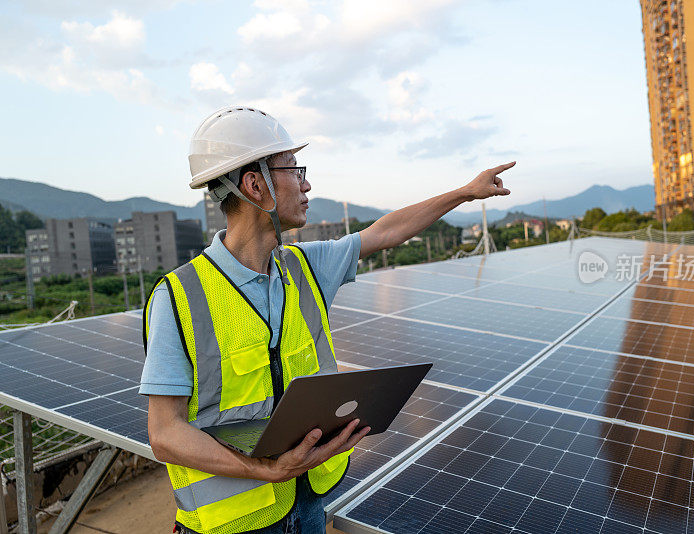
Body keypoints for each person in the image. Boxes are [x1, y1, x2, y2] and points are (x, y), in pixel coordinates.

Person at [140, 106, 514, 534]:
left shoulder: (305, 267)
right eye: (295, 171)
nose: (307, 184)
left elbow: (386, 232)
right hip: (231, 525)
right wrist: (267, 470)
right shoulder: (180, 297)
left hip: (307, 507)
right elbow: (165, 433)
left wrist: (465, 193)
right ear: (255, 184)